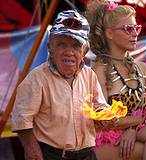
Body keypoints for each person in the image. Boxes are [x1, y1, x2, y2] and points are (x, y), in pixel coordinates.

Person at [11, 10, 109, 160]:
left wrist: (106, 116)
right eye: (62, 44)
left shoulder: (89, 75)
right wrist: (30, 147)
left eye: (76, 46)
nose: (69, 52)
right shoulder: (37, 78)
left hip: (86, 154)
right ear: (50, 47)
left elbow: (99, 106)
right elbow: (21, 117)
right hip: (51, 155)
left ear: (85, 51)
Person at [86, 1, 146, 160]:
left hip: (139, 134)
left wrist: (132, 128)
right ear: (109, 33)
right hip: (105, 142)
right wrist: (137, 122)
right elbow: (102, 121)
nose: (135, 33)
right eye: (128, 29)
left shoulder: (143, 69)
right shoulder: (100, 70)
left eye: (136, 28)